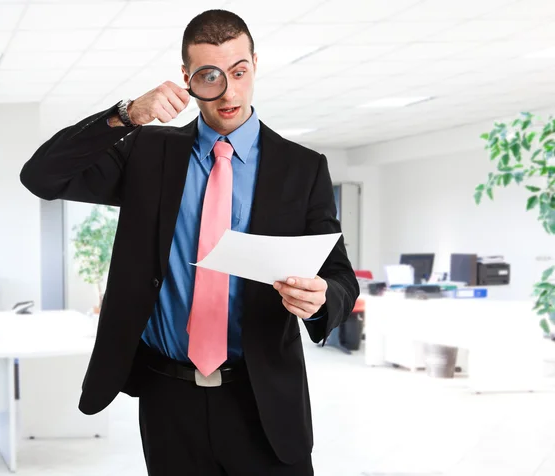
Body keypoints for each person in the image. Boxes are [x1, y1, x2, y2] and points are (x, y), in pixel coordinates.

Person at [20, 9, 359, 476]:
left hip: (262, 400)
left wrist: (323, 299)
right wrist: (124, 115)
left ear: (255, 65)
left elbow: (339, 275)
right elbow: (42, 176)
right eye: (209, 76)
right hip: (167, 396)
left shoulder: (302, 168)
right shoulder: (147, 152)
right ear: (187, 78)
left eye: (239, 71)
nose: (229, 91)